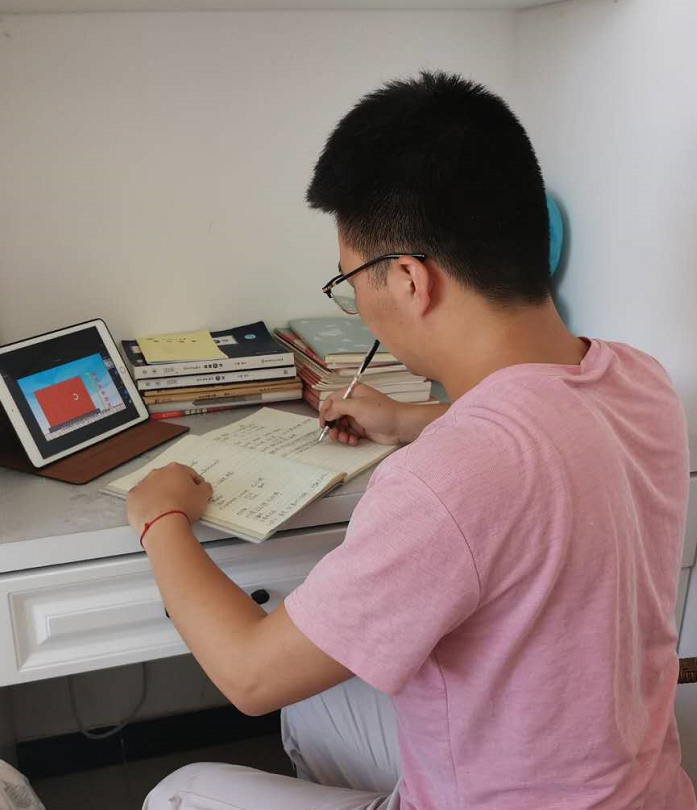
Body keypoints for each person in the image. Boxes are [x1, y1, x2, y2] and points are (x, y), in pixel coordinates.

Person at [128, 72, 694, 809]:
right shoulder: (639, 379)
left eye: (350, 282)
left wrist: (161, 518)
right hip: (644, 790)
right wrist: (404, 421)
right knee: (319, 697)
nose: (357, 303)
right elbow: (550, 446)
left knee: (179, 792)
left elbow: (251, 676)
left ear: (407, 279)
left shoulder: (444, 481)